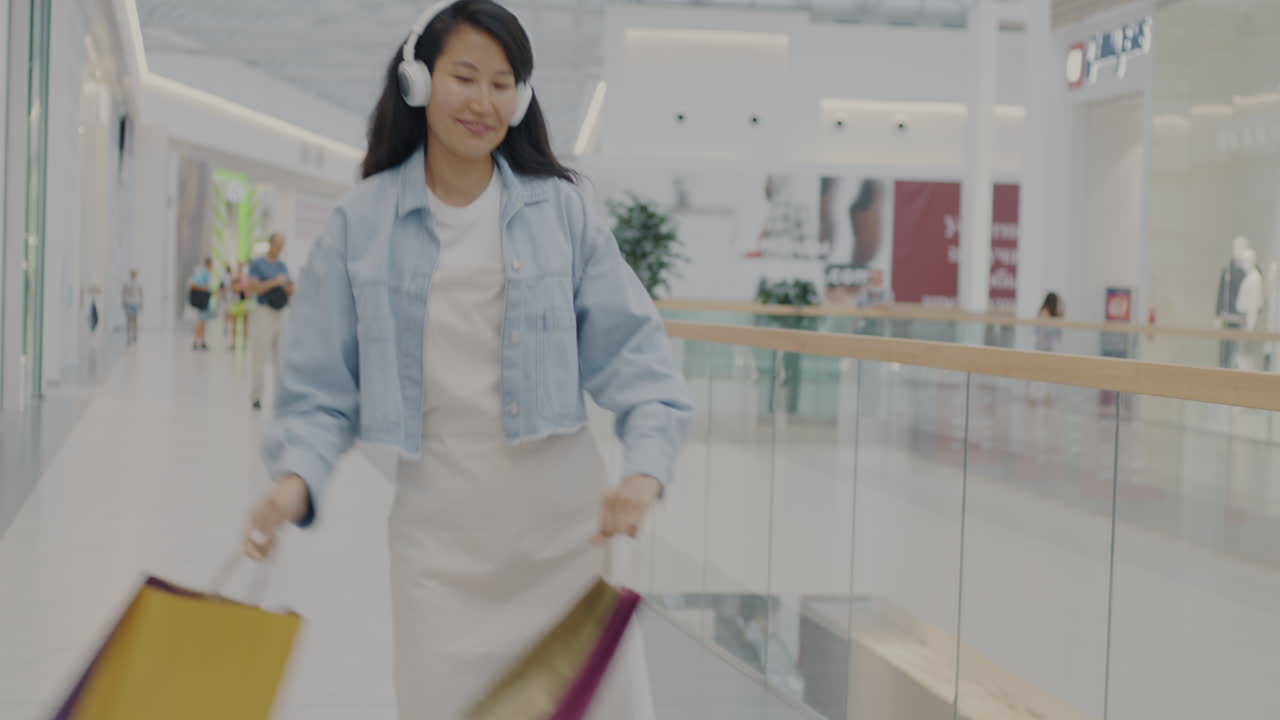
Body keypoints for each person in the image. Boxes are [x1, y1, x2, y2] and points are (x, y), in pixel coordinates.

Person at [242, 2, 692, 718]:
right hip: (439, 548)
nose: (483, 101)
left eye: (502, 82)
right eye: (465, 77)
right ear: (419, 82)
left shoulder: (561, 215)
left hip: (566, 537)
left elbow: (638, 356)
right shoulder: (361, 224)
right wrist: (294, 479)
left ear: (522, 99)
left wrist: (644, 470)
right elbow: (319, 390)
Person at [247, 233, 293, 409]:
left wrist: (289, 287)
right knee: (260, 354)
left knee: (281, 356)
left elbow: (288, 288)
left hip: (281, 312)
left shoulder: (282, 266)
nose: (280, 247)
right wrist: (274, 282)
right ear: (270, 243)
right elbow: (252, 287)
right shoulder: (258, 264)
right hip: (264, 311)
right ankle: (256, 395)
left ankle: (280, 396)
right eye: (278, 243)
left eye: (283, 244)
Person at [1029, 292, 1064, 405]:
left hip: (1047, 349)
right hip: (1041, 348)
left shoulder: (1054, 316)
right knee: (1037, 374)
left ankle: (1045, 396)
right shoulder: (1044, 313)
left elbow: (1058, 335)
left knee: (1047, 374)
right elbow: (1040, 331)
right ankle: (1034, 397)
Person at [188, 258, 215, 351]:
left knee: (202, 321)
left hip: (204, 301)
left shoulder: (205, 273)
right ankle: (196, 341)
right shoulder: (202, 273)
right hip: (200, 301)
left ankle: (202, 341)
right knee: (200, 321)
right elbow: (192, 285)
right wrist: (204, 288)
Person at [121, 268, 143, 345]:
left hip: (135, 303)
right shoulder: (126, 283)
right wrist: (123, 303)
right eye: (132, 273)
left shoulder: (139, 283)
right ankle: (129, 337)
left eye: (134, 274)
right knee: (129, 321)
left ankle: (135, 336)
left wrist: (141, 303)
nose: (133, 275)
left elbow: (141, 293)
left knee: (135, 320)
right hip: (128, 303)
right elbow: (123, 292)